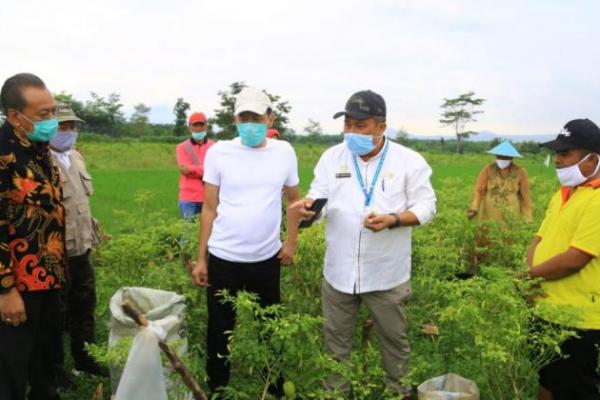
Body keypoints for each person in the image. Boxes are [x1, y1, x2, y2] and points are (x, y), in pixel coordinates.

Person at [291, 90, 437, 397]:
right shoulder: (332, 158)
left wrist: (393, 220)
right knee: (335, 343)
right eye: (348, 124)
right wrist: (309, 208)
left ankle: (397, 392)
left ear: (381, 127)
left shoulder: (409, 161)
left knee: (394, 342)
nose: (352, 132)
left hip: (386, 273)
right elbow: (319, 197)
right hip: (339, 272)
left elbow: (427, 206)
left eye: (361, 126)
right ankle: (336, 393)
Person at [191, 87, 300, 396]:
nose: (250, 123)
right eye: (244, 117)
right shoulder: (219, 152)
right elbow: (209, 208)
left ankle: (276, 386)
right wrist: (202, 258)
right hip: (224, 257)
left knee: (270, 325)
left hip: (266, 258)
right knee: (220, 328)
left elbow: (294, 201)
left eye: (256, 117)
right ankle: (218, 387)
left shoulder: (284, 152)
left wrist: (291, 243)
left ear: (270, 118)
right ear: (234, 119)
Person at [0, 73, 64, 399]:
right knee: (10, 371)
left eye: (53, 111)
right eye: (43, 115)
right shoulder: (3, 156)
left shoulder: (41, 151)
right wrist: (5, 289)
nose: (51, 121)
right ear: (14, 116)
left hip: (49, 277)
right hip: (17, 286)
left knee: (45, 365)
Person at [526, 119, 600, 400]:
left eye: (566, 154)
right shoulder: (563, 195)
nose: (557, 160)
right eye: (557, 153)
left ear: (592, 160)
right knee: (547, 377)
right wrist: (531, 274)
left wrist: (529, 277)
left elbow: (575, 258)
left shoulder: (597, 199)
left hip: (579, 318)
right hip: (546, 308)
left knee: (576, 389)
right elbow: (539, 239)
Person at [49, 103, 107, 381]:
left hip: (81, 249)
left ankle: (85, 360)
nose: (69, 131)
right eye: (62, 126)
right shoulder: (40, 161)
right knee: (56, 316)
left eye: (72, 126)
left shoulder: (77, 157)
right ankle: (56, 371)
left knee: (85, 306)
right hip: (55, 253)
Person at [467, 141, 533, 224]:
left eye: (505, 157)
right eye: (499, 157)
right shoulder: (488, 169)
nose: (502, 159)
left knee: (509, 234)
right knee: (489, 233)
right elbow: (478, 190)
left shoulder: (520, 172)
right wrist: (474, 207)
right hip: (489, 212)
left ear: (511, 158)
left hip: (511, 212)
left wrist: (528, 217)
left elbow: (525, 197)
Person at [176, 112, 214, 220]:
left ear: (206, 126)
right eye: (195, 125)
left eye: (201, 125)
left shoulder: (213, 146)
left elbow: (215, 170)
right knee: (187, 233)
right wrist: (205, 169)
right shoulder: (182, 147)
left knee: (209, 232)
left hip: (209, 196)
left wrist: (192, 169)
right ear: (190, 127)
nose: (198, 128)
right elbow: (184, 170)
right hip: (188, 197)